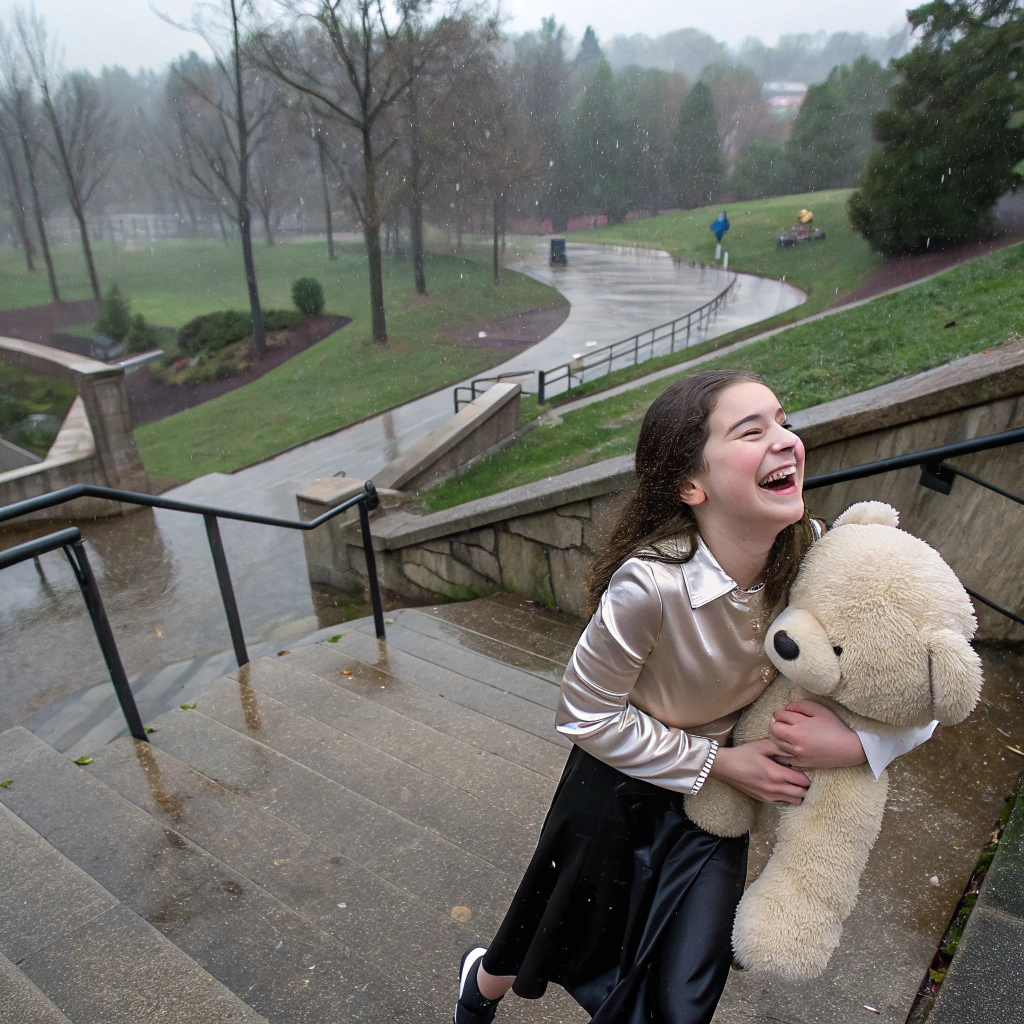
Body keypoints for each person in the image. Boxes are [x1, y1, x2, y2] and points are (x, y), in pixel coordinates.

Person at [452, 369, 935, 1024]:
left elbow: (918, 683)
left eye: (783, 421)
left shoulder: (822, 558)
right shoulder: (649, 586)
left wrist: (855, 743)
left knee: (681, 1002)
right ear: (690, 485)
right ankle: (479, 987)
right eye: (750, 430)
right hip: (613, 793)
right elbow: (584, 712)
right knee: (543, 936)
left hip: (715, 816)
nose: (785, 440)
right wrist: (718, 761)